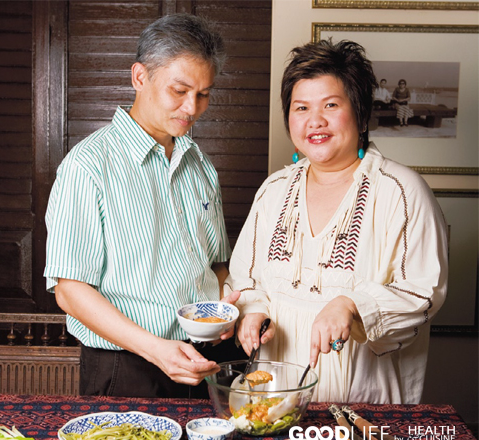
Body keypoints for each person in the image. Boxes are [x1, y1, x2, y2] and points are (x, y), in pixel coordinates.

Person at [225, 40, 448, 404]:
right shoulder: (273, 190)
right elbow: (246, 279)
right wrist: (252, 312)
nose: (315, 120)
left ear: (361, 115)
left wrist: (351, 305)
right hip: (273, 397)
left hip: (365, 398)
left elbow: (424, 294)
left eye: (331, 104)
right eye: (301, 108)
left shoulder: (401, 191)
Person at [44, 13, 245, 399]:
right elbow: (69, 290)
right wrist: (155, 349)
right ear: (140, 77)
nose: (192, 108)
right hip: (126, 366)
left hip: (204, 358)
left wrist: (225, 309)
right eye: (180, 90)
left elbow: (216, 264)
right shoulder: (88, 165)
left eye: (204, 94)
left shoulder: (200, 164)